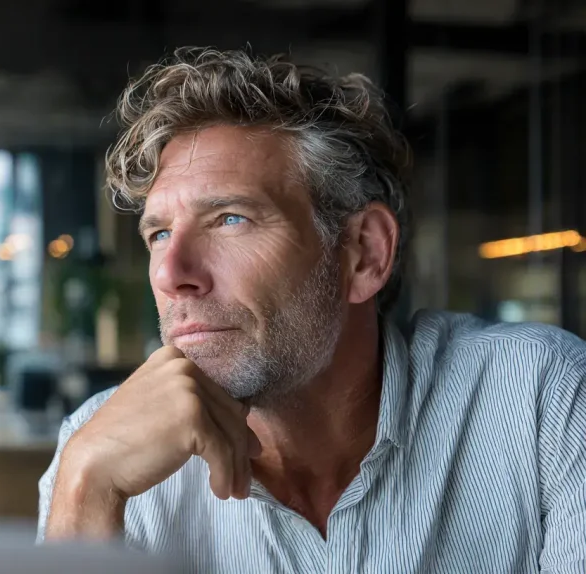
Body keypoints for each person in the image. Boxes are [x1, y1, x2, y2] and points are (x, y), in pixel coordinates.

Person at [36, 47, 586, 573]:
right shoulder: (99, 448)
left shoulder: (540, 401)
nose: (169, 272)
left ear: (364, 253)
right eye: (157, 233)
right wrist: (88, 491)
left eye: (230, 219)